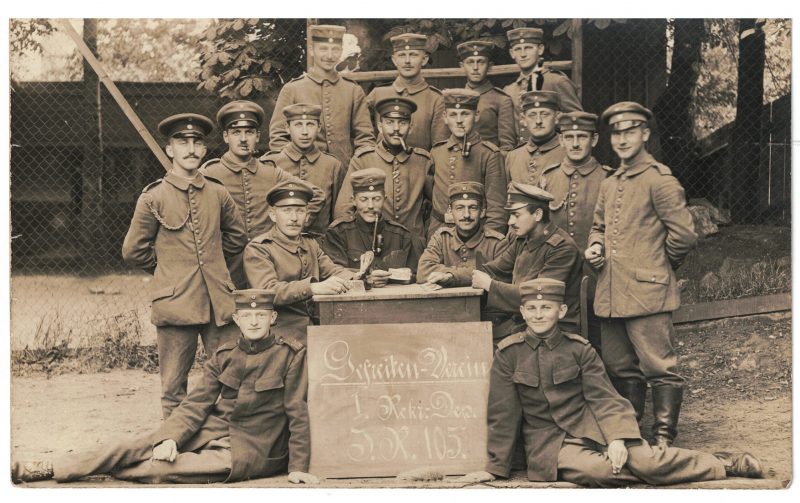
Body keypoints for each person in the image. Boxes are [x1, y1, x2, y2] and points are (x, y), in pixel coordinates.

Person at [458, 278, 763, 487]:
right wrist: (494, 469)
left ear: (561, 311)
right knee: (600, 471)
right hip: (549, 442)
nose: (539, 315)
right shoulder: (509, 354)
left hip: (594, 427)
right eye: (532, 309)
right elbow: (502, 415)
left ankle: (722, 465)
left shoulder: (579, 349)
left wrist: (616, 437)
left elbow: (605, 398)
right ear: (522, 311)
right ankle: (666, 470)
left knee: (644, 462)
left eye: (546, 307)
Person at [12, 289, 319, 485]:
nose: (254, 322)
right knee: (131, 446)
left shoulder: (290, 354)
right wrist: (172, 436)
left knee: (159, 470)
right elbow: (195, 405)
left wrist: (299, 466)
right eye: (247, 316)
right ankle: (49, 466)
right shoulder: (224, 355)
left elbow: (297, 412)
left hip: (251, 449)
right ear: (236, 319)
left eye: (261, 315)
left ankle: (92, 468)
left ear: (273, 318)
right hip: (211, 431)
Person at [586, 102, 698, 447]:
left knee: (659, 367)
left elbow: (684, 234)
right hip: (612, 292)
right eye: (616, 132)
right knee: (619, 367)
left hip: (647, 294)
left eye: (629, 131)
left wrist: (661, 267)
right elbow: (598, 226)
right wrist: (595, 245)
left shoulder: (659, 180)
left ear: (645, 134)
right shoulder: (610, 182)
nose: (621, 139)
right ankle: (630, 436)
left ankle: (664, 438)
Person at [122, 113, 247, 419]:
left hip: (218, 301)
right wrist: (168, 270)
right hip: (176, 303)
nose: (191, 149)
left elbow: (237, 235)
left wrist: (215, 263)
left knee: (231, 378)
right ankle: (174, 444)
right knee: (174, 385)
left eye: (197, 142)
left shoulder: (218, 193)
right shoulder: (154, 197)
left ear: (204, 150)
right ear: (169, 150)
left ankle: (221, 443)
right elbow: (133, 250)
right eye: (182, 142)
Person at [201, 100, 325, 287]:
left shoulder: (271, 172)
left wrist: (289, 228)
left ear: (258, 136)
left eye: (249, 132)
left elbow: (315, 194)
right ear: (226, 136)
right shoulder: (209, 173)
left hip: (267, 264)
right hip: (224, 266)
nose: (243, 139)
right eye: (236, 132)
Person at [243, 180, 354, 343]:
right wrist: (313, 287)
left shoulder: (310, 243)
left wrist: (359, 276)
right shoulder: (259, 249)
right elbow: (268, 292)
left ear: (307, 215)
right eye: (287, 211)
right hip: (279, 334)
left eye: (300, 211)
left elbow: (333, 270)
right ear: (273, 215)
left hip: (317, 327)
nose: (294, 218)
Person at [539, 111, 611, 351]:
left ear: (594, 140)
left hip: (597, 273)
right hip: (557, 273)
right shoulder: (548, 178)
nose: (576, 143)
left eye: (582, 136)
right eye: (569, 137)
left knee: (599, 335)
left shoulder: (607, 179)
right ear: (560, 141)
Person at [471, 182, 582, 339]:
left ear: (537, 214)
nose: (510, 222)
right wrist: (449, 277)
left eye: (516, 215)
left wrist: (490, 285)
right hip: (524, 324)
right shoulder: (523, 240)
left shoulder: (562, 247)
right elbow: (492, 269)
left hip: (553, 332)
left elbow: (539, 296)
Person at [268, 24, 375, 165]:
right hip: (303, 173)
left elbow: (365, 138)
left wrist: (357, 167)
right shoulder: (292, 89)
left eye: (335, 49)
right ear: (312, 51)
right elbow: (278, 138)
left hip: (344, 171)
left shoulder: (353, 90)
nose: (329, 56)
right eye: (323, 49)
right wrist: (296, 167)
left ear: (341, 51)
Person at [334, 96, 433, 246]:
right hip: (374, 244)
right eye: (389, 122)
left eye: (403, 123)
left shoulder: (423, 161)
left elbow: (438, 208)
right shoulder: (363, 159)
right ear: (380, 126)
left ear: (411, 127)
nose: (396, 129)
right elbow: (343, 209)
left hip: (413, 248)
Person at [418, 182, 510, 339]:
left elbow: (496, 276)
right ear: (450, 211)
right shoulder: (441, 237)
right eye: (459, 208)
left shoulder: (497, 243)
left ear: (482, 212)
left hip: (490, 323)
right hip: (446, 320)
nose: (466, 215)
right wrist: (463, 274)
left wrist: (451, 276)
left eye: (472, 208)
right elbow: (423, 271)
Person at [429, 88, 508, 237]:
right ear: (445, 117)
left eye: (465, 114)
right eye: (453, 114)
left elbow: (497, 210)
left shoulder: (489, 154)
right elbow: (429, 197)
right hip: (438, 233)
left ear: (476, 115)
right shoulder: (436, 152)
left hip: (475, 235)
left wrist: (487, 243)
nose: (459, 120)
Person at [261, 103, 347, 238]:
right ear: (287, 128)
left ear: (319, 128)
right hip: (279, 243)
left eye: (310, 124)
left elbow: (337, 214)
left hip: (319, 243)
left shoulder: (332, 165)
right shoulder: (272, 162)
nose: (305, 132)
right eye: (298, 125)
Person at [324, 168, 421, 286]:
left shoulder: (401, 235)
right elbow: (333, 273)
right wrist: (366, 279)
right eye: (363, 199)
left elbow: (416, 275)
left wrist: (390, 278)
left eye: (376, 199)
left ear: (384, 200)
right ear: (354, 200)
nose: (370, 206)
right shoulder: (339, 232)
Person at [367, 33, 448, 151]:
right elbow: (361, 132)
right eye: (401, 55)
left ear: (424, 59)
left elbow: (439, 148)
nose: (407, 61)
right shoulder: (378, 94)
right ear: (394, 60)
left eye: (413, 55)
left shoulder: (436, 99)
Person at [503, 27, 582, 144]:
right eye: (518, 49)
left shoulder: (556, 81)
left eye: (528, 48)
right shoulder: (509, 90)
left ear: (540, 49)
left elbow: (577, 121)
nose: (523, 54)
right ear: (511, 53)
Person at [456, 40, 516, 153]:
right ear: (462, 66)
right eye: (470, 62)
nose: (475, 67)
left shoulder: (501, 99)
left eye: (481, 62)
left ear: (489, 66)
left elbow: (507, 146)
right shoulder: (455, 98)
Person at [505, 90, 565, 186]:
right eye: (532, 115)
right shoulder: (513, 156)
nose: (538, 121)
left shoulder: (566, 152)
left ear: (557, 117)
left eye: (545, 114)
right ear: (523, 119)